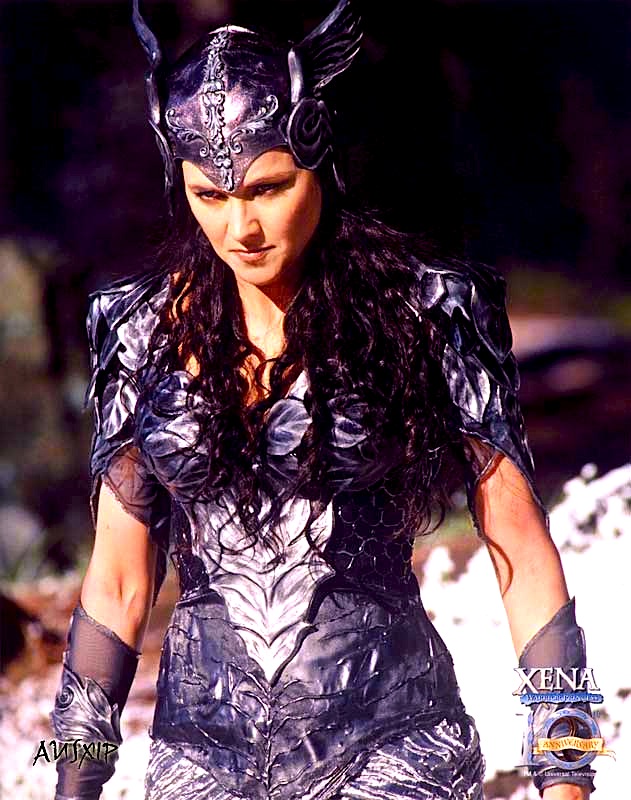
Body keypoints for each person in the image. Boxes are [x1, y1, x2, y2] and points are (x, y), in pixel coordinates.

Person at [50, 2, 598, 799]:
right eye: (209, 196)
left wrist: (567, 772)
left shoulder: (428, 310)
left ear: (318, 163)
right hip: (198, 761)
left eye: (268, 188)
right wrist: (70, 784)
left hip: (394, 750)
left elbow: (521, 550)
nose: (240, 226)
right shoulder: (137, 327)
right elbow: (117, 586)